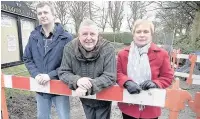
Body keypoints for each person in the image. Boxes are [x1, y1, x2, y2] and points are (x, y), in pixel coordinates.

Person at [58, 18, 116, 119]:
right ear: (78, 35)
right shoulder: (69, 48)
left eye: (92, 34)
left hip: (103, 99)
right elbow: (63, 72)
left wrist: (87, 87)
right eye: (85, 34)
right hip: (85, 100)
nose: (89, 38)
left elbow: (110, 76)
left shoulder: (108, 48)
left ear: (98, 35)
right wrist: (77, 80)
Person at [23, 2, 72, 119]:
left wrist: (50, 75)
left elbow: (69, 64)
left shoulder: (66, 38)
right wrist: (35, 75)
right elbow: (27, 58)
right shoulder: (33, 37)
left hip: (60, 86)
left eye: (45, 12)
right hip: (41, 88)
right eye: (39, 13)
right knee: (42, 117)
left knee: (64, 117)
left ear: (53, 15)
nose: (42, 15)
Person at [117, 19, 174, 119]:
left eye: (146, 31)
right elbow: (118, 73)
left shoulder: (162, 54)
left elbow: (168, 77)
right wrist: (126, 82)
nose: (142, 35)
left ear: (151, 34)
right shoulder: (123, 54)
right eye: (138, 32)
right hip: (129, 106)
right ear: (133, 34)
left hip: (151, 107)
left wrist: (156, 83)